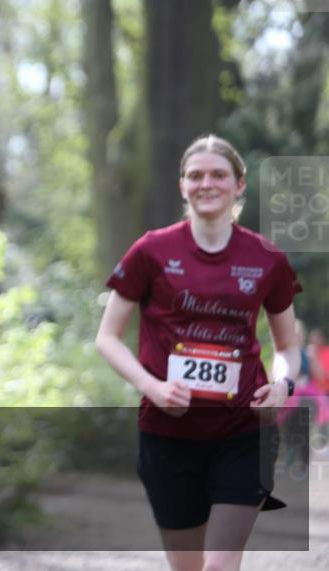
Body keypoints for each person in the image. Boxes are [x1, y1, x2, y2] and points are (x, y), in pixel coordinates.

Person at [95, 135, 302, 571]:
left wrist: (282, 384)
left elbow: (287, 346)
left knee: (220, 567)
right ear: (182, 186)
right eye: (196, 175)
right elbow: (108, 337)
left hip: (244, 431)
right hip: (167, 435)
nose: (207, 183)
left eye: (218, 175)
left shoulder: (267, 259)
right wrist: (151, 386)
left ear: (239, 185)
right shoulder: (151, 250)